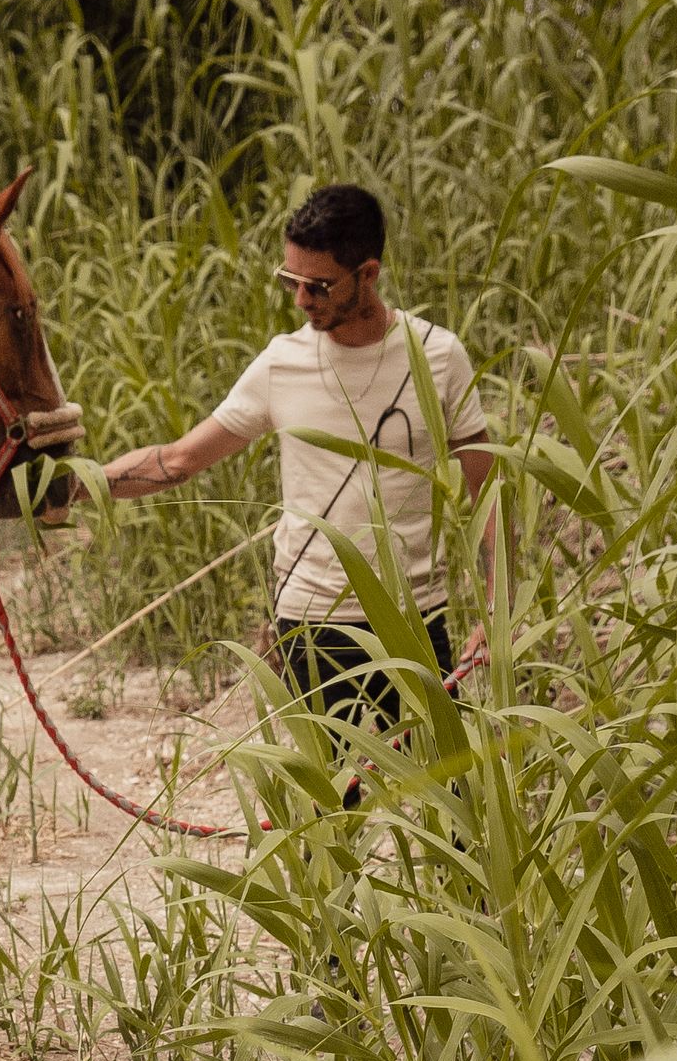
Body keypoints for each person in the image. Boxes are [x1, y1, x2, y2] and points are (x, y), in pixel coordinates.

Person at [95, 182, 493, 751]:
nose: (301, 299)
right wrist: (78, 487)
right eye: (291, 281)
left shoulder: (438, 355)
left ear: (369, 274)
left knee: (447, 793)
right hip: (311, 622)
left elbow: (487, 487)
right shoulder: (281, 364)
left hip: (413, 621)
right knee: (330, 798)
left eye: (318, 285)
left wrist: (496, 608)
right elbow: (179, 460)